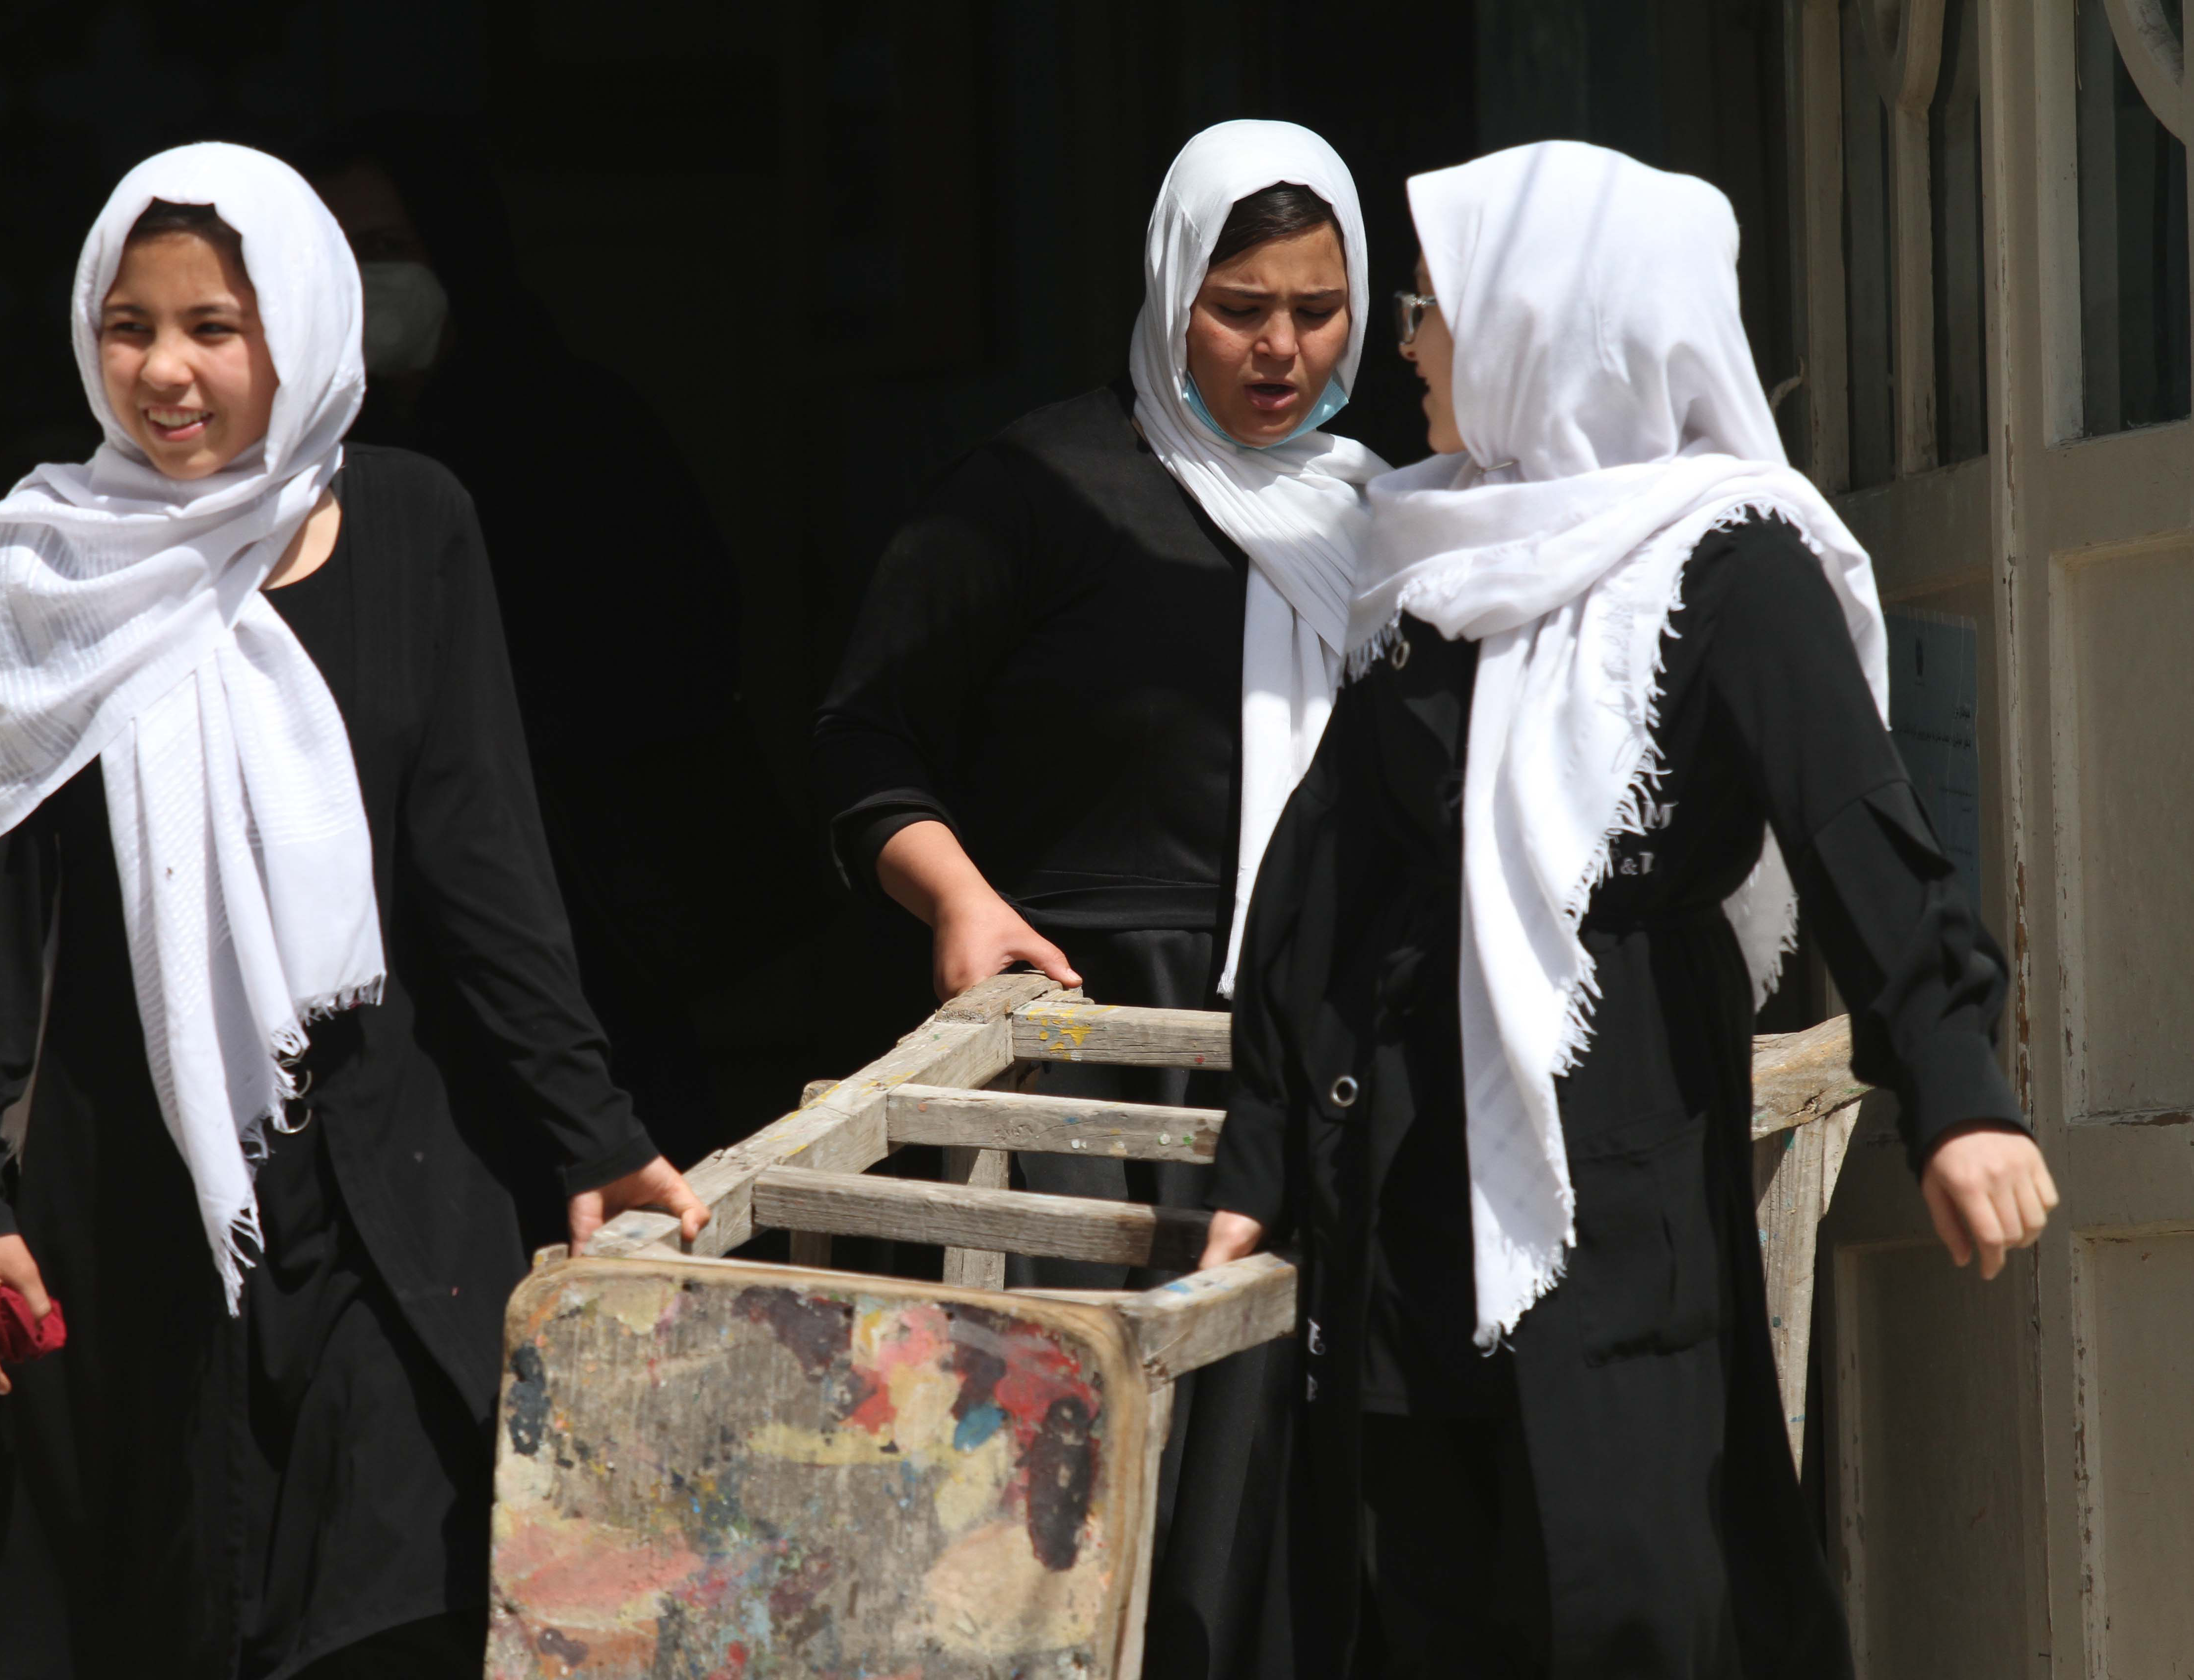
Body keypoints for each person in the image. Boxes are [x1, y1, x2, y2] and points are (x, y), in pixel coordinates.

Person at [1199, 140, 2059, 1679]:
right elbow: (1320, 879)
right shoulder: (1433, 552)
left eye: (1429, 308)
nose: (1408, 346)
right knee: (1416, 1589)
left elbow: (1859, 832)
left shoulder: (1728, 566)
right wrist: (1257, 1162)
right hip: (1401, 1182)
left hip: (1611, 1161)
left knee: (1631, 1592)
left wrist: (1958, 1090)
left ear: (1549, 316)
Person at [0, 142, 708, 1680]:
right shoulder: (32, 572)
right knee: (150, 1609)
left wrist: (593, 1129)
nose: (166, 370)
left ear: (306, 327)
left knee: (388, 1609)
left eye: (217, 326)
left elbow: (483, 864)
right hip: (125, 1209)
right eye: (131, 325)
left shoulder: (413, 524)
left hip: (388, 1187)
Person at [811, 119, 1391, 1679]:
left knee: (1282, 1485)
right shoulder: (1037, 491)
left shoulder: (1392, 527)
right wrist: (958, 900)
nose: (1279, 349)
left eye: (1315, 309)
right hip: (1091, 1055)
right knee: (1055, 1501)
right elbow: (864, 736)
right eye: (1238, 307)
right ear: (1163, 293)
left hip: (1323, 1061)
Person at [293, 119, 825, 1173]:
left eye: (390, 250)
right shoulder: (296, 471)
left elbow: (677, 647)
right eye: (333, 255)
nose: (362, 283)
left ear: (459, 250)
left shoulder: (577, 430)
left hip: (588, 919)